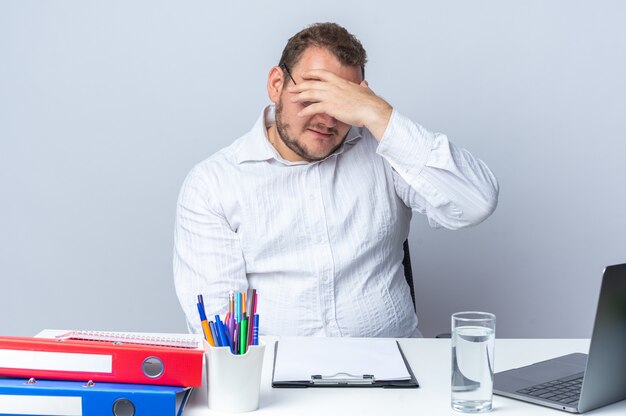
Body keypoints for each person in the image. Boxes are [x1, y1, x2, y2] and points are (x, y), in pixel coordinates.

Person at [174, 22, 498, 338]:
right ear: (277, 84)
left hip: (395, 373)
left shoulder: (384, 151)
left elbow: (475, 203)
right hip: (274, 380)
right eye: (315, 95)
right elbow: (218, 332)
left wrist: (378, 114)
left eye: (342, 102)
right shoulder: (213, 184)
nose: (328, 118)